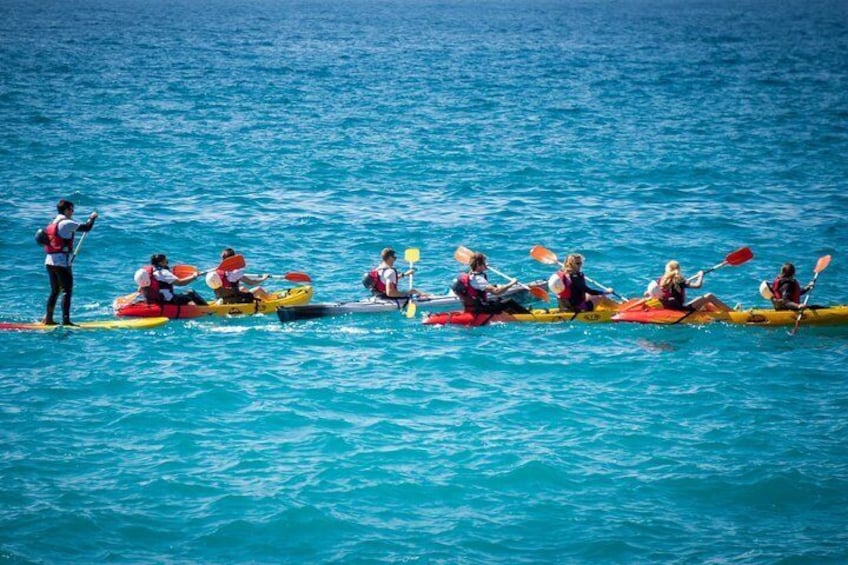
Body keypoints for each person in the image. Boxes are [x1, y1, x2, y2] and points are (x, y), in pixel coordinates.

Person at [42, 199, 98, 326]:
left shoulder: (51, 224)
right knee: (67, 291)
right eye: (72, 210)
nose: (72, 212)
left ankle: (49, 319)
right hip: (61, 263)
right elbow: (86, 227)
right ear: (66, 210)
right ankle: (66, 321)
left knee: (55, 291)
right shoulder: (66, 223)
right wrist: (92, 217)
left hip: (49, 262)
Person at [452, 252, 528, 314]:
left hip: (473, 307)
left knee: (499, 300)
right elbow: (497, 292)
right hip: (481, 309)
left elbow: (474, 272)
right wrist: (512, 283)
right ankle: (528, 315)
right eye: (484, 263)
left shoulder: (470, 275)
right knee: (509, 301)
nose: (486, 265)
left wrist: (483, 267)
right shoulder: (479, 279)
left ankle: (513, 313)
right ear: (478, 265)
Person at [651, 260, 732, 312]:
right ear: (679, 269)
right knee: (709, 296)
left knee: (705, 304)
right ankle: (733, 313)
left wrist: (684, 283)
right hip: (680, 309)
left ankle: (721, 312)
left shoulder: (661, 279)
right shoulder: (679, 280)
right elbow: (697, 286)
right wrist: (700, 276)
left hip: (668, 306)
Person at [548, 254, 616, 312]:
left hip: (564, 306)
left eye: (581, 263)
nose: (580, 265)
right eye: (577, 263)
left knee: (588, 295)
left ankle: (615, 306)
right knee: (602, 296)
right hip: (578, 308)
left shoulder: (563, 273)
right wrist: (606, 292)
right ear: (571, 264)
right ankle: (617, 309)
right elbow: (589, 291)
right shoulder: (574, 277)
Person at [206, 248, 270, 304]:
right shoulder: (235, 272)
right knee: (259, 289)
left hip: (223, 298)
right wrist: (264, 278)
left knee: (243, 288)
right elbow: (251, 282)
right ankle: (271, 302)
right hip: (236, 299)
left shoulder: (216, 272)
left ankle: (259, 300)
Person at [140, 254, 207, 306]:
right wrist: (193, 276)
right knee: (191, 293)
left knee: (181, 295)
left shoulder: (148, 273)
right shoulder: (163, 272)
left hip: (158, 298)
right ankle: (207, 309)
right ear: (160, 263)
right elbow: (180, 283)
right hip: (169, 300)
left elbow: (140, 288)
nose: (167, 262)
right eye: (166, 261)